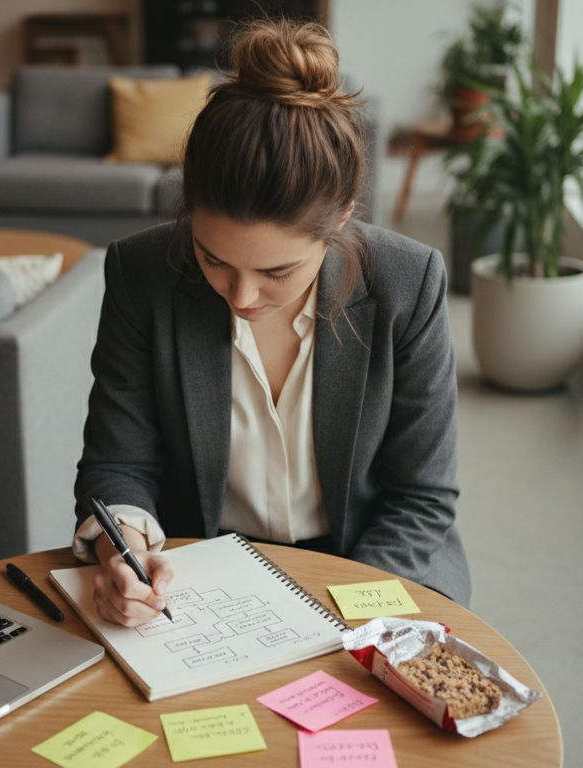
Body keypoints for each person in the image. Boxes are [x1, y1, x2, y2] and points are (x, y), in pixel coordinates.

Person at [70, 19, 469, 628]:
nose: (242, 295)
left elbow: (420, 498)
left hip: (371, 565)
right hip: (201, 577)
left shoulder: (407, 284)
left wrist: (338, 616)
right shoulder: (142, 273)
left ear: (340, 223)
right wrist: (123, 550)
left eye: (278, 272)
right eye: (212, 259)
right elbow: (118, 463)